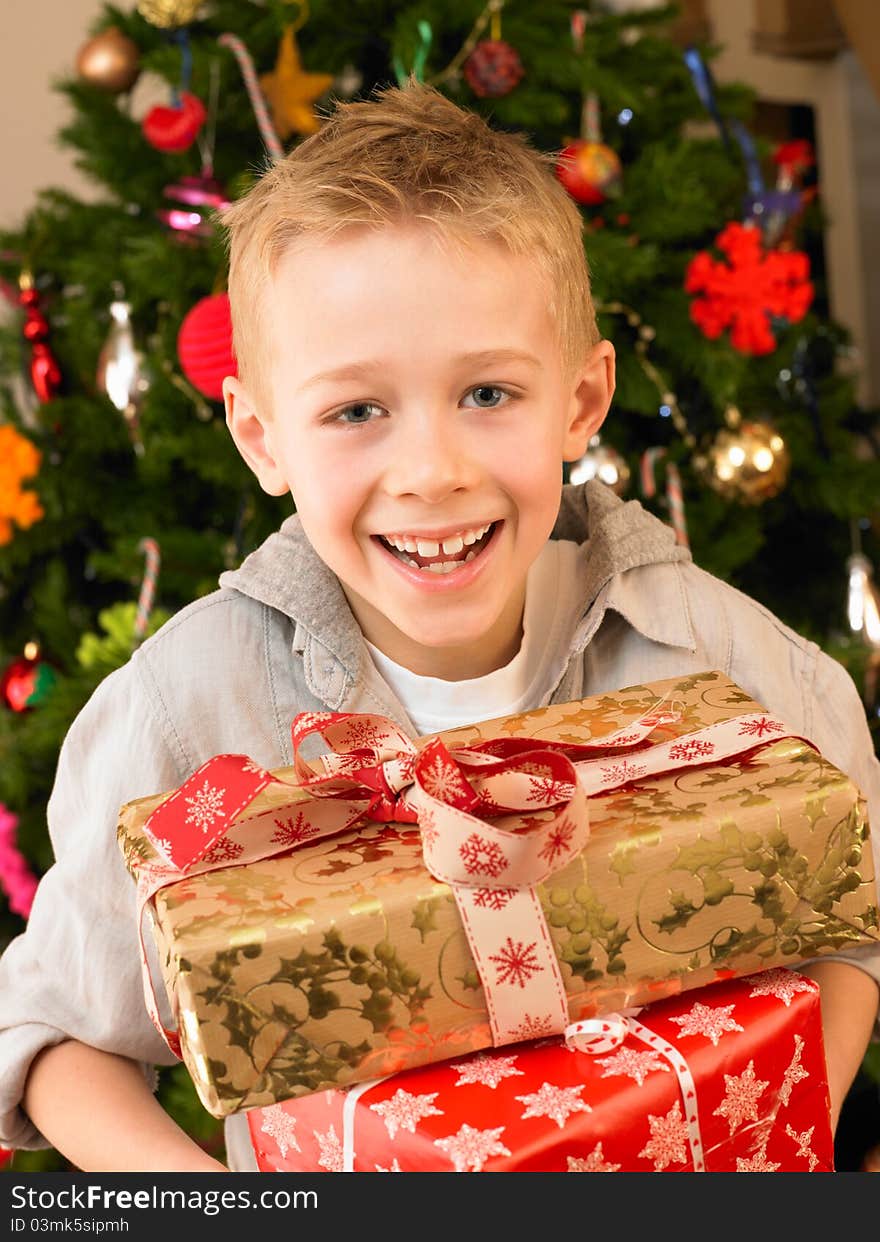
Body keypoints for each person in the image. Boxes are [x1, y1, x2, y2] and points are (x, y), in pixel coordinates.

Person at [1, 79, 878, 1174]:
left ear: (582, 397)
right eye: (356, 411)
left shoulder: (713, 654)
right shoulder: (188, 711)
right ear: (262, 437)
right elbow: (59, 1036)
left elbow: (852, 920)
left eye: (487, 395)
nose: (431, 473)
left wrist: (770, 1132)